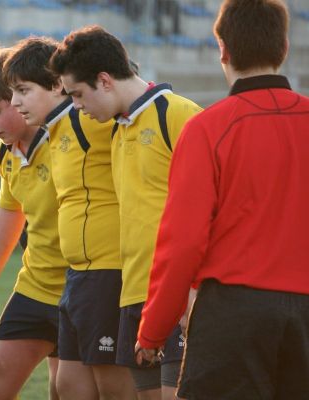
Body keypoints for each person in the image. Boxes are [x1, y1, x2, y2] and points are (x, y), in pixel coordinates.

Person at [136, 1, 309, 399]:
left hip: (234, 312)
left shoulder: (208, 129)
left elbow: (182, 242)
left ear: (223, 50)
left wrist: (153, 330)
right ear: (283, 46)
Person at [50, 25, 201, 400]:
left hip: (179, 294)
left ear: (104, 80)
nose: (76, 106)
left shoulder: (179, 115)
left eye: (78, 95)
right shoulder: (118, 131)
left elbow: (216, 208)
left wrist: (196, 288)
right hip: (134, 295)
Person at [3, 37, 136, 399]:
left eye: (23, 90)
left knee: (112, 387)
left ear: (56, 85)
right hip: (75, 275)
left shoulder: (91, 120)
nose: (15, 102)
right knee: (66, 385)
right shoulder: (55, 130)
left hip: (108, 272)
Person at [0, 45, 68, 400]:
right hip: (36, 286)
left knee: (66, 389)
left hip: (83, 289)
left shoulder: (72, 139)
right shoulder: (7, 151)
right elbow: (10, 210)